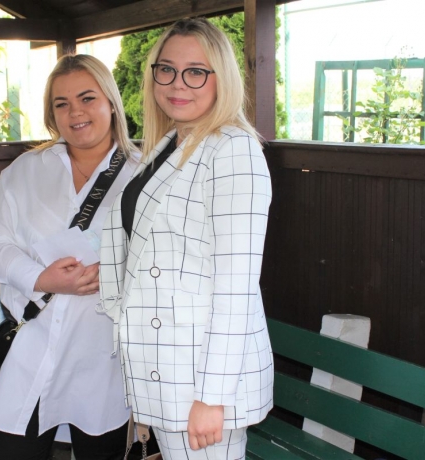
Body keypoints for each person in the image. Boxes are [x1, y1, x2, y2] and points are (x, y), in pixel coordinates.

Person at [98, 18, 274, 460]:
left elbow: (236, 284)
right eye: (167, 69)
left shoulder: (232, 148)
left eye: (196, 71)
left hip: (201, 381)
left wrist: (212, 397)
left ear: (222, 77)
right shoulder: (172, 143)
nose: (178, 83)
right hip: (169, 368)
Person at [0, 54, 137, 460]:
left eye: (87, 98)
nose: (75, 112)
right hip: (31, 348)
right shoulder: (26, 170)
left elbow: (167, 258)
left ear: (111, 101)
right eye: (61, 104)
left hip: (105, 358)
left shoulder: (144, 172)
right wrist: (40, 278)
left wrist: (116, 272)